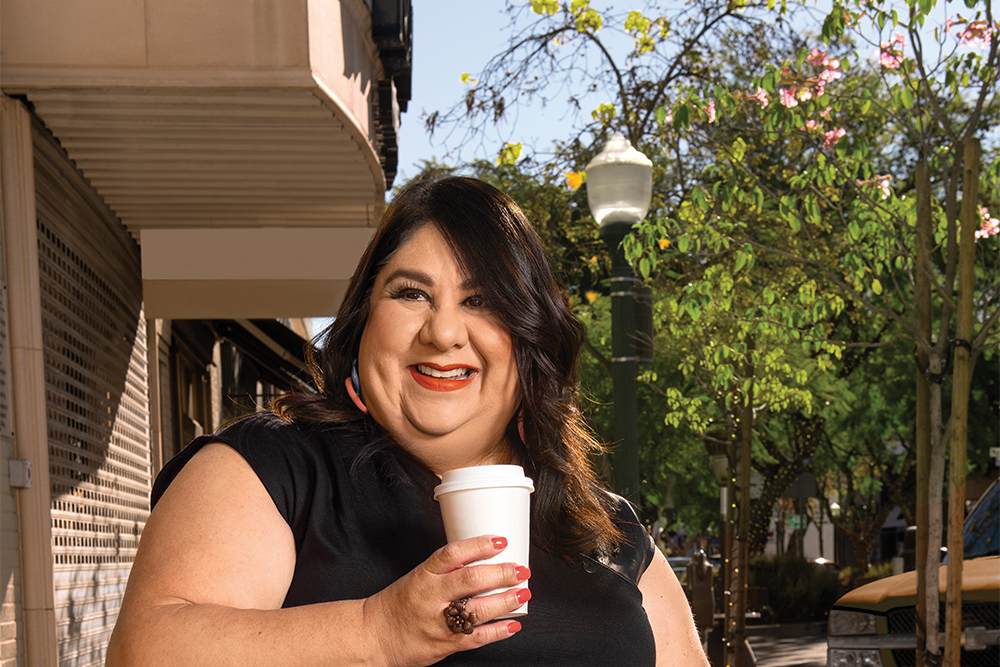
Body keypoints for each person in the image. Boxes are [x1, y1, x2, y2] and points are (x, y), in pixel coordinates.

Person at [106, 176, 708, 666]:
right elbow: (143, 653)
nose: (443, 332)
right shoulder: (275, 471)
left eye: (480, 301)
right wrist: (375, 632)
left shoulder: (606, 526)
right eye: (411, 294)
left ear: (530, 338)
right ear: (364, 317)